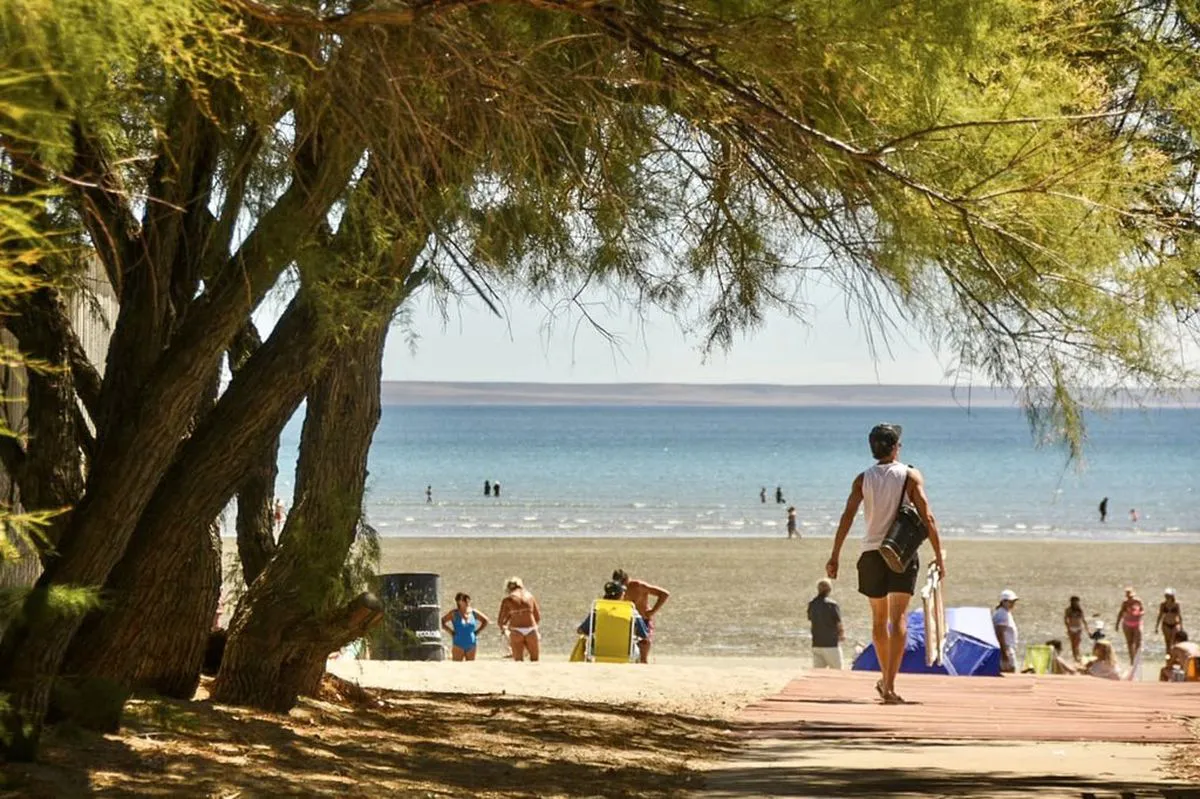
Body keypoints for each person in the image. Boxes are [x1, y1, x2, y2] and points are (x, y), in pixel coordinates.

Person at [826, 423, 945, 705]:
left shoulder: (862, 479)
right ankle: (889, 684)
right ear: (896, 447)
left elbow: (847, 517)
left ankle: (885, 680)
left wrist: (835, 555)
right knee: (898, 619)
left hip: (870, 554)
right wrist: (939, 555)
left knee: (879, 621)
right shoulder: (910, 476)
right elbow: (928, 518)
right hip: (900, 553)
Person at [577, 581, 651, 660]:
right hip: (626, 652)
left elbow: (582, 630)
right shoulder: (630, 610)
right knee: (636, 650)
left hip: (598, 651)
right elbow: (644, 634)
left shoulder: (598, 609)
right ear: (621, 595)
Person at [611, 568, 670, 663]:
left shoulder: (638, 585)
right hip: (626, 622)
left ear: (627, 580)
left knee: (643, 649)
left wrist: (652, 611)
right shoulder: (615, 589)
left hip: (643, 620)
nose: (623, 587)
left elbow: (664, 594)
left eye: (623, 584)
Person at [498, 577, 540, 661]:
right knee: (535, 661)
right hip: (531, 629)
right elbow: (537, 617)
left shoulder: (507, 600)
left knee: (518, 662)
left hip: (516, 630)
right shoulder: (530, 597)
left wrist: (505, 631)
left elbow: (500, 621)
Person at [807, 578, 844, 669]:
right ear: (829, 590)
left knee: (818, 673)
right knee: (838, 671)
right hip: (830, 643)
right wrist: (841, 635)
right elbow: (838, 623)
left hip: (817, 643)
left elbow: (810, 618)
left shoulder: (812, 604)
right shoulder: (832, 605)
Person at [441, 592, 490, 662]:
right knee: (456, 666)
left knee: (471, 666)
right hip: (458, 643)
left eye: (468, 599)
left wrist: (478, 631)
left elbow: (486, 620)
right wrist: (450, 631)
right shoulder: (454, 613)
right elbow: (441, 622)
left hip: (471, 643)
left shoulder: (473, 612)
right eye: (464, 600)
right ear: (458, 602)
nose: (466, 601)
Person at [1116, 586, 1145, 665]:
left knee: (1138, 642)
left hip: (1137, 623)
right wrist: (1117, 624)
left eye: (1131, 596)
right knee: (1130, 642)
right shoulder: (1125, 603)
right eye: (1128, 596)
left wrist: (1139, 613)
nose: (1129, 598)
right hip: (1127, 623)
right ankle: (1132, 660)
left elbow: (1143, 610)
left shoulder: (1138, 601)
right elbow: (1120, 613)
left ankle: (1137, 659)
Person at [993, 589, 1020, 673]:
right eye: (1010, 601)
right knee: (1010, 673)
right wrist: (1004, 653)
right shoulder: (1003, 614)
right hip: (1006, 649)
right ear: (1003, 602)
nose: (1012, 604)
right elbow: (1000, 633)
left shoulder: (1003, 613)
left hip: (1006, 649)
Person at [1064, 596, 1088, 661]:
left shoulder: (1080, 610)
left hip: (1079, 628)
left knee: (1077, 643)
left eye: (1077, 601)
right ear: (1071, 602)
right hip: (1071, 628)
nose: (1076, 603)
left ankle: (1077, 656)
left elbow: (1083, 620)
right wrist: (1068, 628)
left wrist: (1088, 631)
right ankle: (1075, 657)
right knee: (1073, 644)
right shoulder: (1068, 610)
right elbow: (1065, 620)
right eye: (1075, 601)